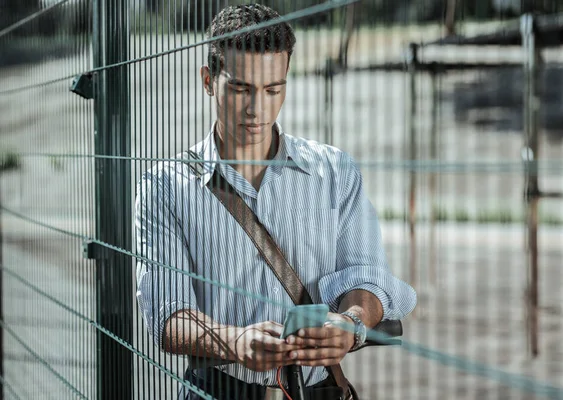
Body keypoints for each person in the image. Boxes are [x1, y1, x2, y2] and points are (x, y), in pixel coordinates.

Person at [135, 3, 417, 399]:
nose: (256, 109)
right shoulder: (165, 186)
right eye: (240, 88)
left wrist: (351, 325)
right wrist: (233, 341)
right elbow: (166, 316)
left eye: (273, 90)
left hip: (318, 390)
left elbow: (366, 274)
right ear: (207, 80)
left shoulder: (335, 171)